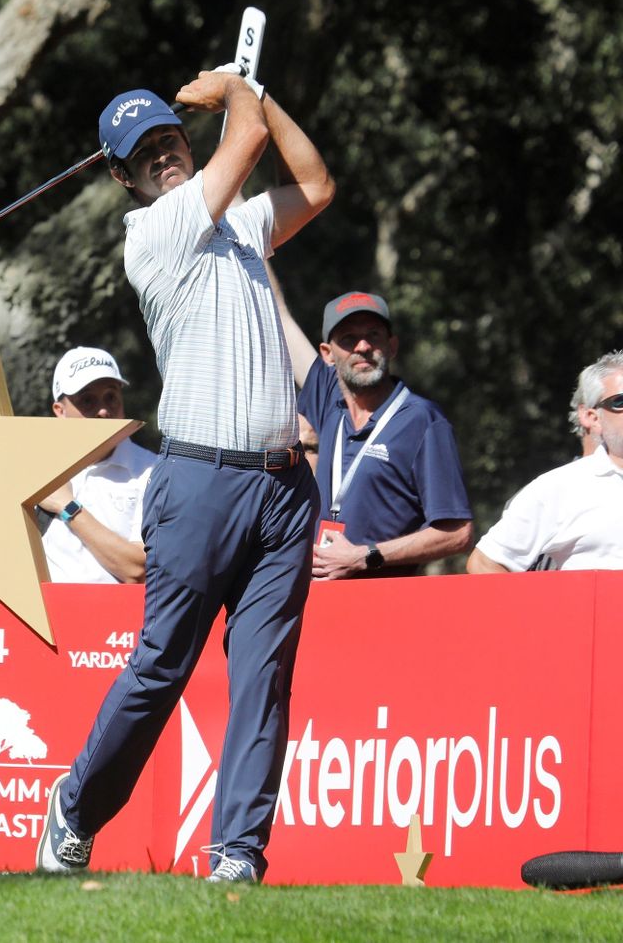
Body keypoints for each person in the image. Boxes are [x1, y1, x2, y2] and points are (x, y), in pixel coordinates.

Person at [37, 66, 334, 884]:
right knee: (163, 663)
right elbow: (242, 144)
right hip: (200, 481)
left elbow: (312, 181)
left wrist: (261, 92)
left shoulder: (238, 223)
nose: (166, 155)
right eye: (147, 152)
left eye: (172, 139)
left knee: (263, 677)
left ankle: (236, 852)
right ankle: (78, 803)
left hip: (282, 486)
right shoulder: (155, 230)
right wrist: (239, 88)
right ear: (122, 175)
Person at [280, 290, 472, 577]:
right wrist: (257, 246)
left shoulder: (423, 420)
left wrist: (365, 556)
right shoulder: (329, 404)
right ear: (327, 354)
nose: (363, 346)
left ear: (392, 346)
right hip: (318, 597)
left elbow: (457, 533)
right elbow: (281, 318)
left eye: (373, 335)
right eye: (348, 339)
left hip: (383, 602)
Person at [467, 350, 623, 573]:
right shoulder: (562, 486)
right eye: (621, 400)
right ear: (592, 417)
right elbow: (485, 563)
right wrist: (529, 609)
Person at [34, 348, 155, 584]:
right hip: (44, 617)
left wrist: (67, 507)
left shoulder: (152, 471)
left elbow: (138, 569)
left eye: (111, 396)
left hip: (120, 619)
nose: (102, 411)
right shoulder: (34, 469)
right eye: (87, 400)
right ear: (60, 411)